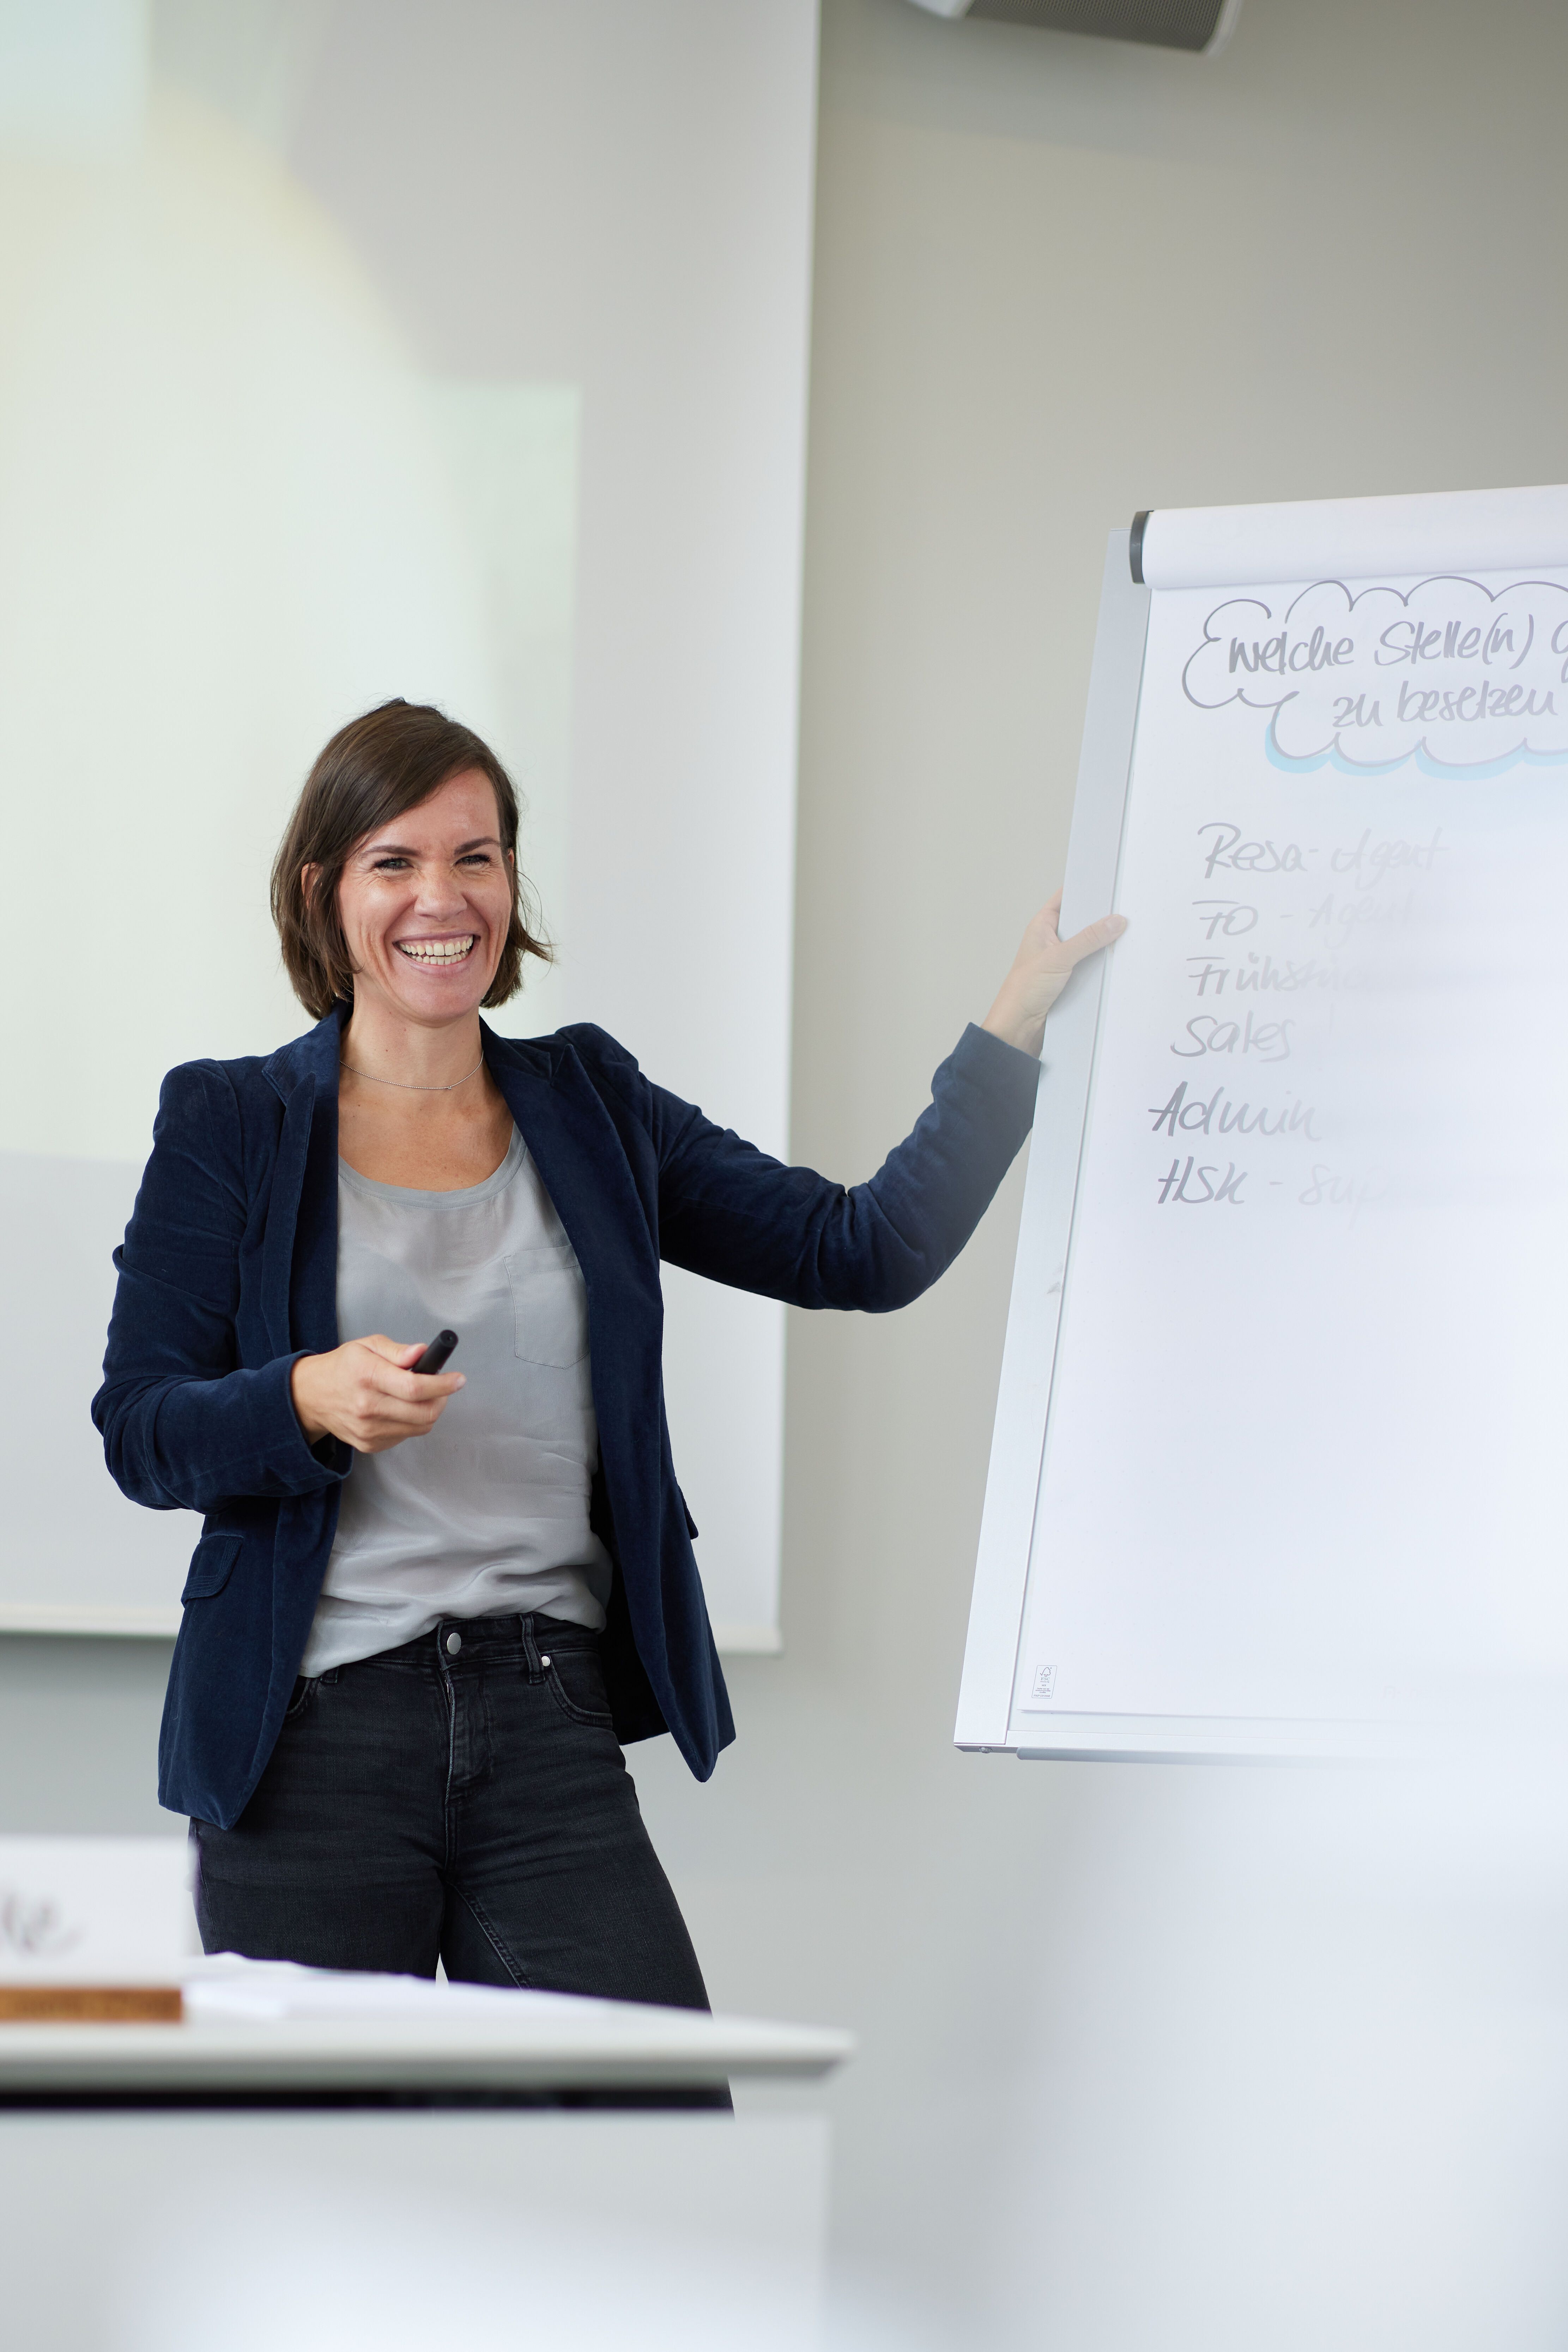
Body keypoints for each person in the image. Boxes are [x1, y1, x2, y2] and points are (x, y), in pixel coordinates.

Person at [93, 699, 1124, 2005]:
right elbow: (141, 1425)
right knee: (324, 2176)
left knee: (662, 2149)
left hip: (547, 1719)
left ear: (513, 881)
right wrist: (301, 1397)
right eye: (394, 862)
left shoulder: (591, 1101)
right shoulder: (230, 1120)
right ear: (324, 890)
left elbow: (859, 1248)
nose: (442, 898)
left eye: (476, 856)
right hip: (311, 1737)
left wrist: (1017, 1021)